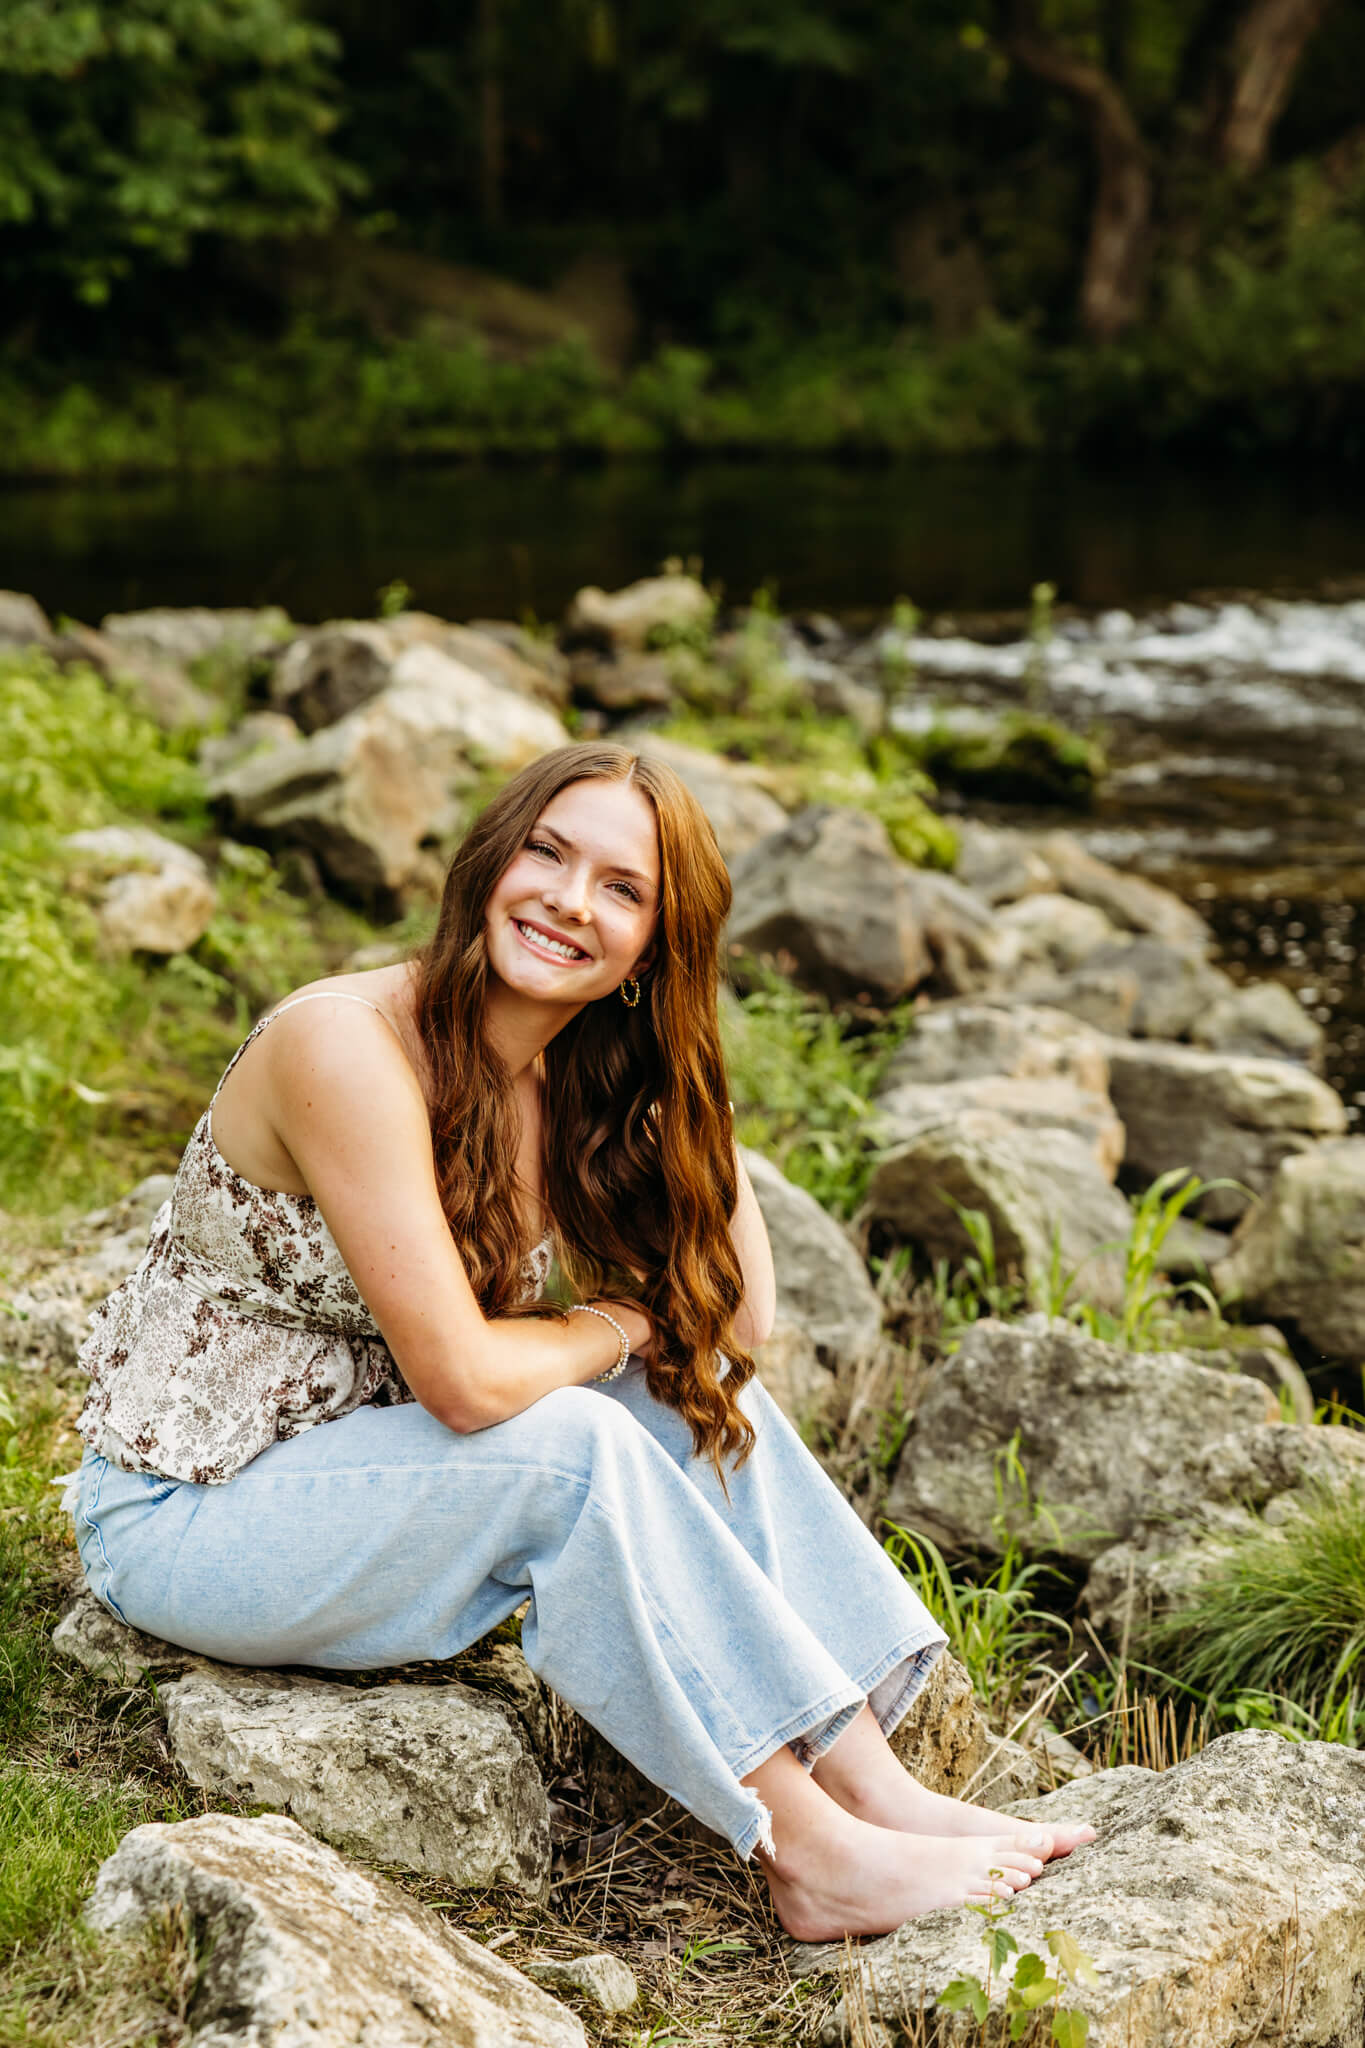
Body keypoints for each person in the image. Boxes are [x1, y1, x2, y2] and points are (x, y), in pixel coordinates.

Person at [70, 741, 1092, 1941]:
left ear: (652, 950)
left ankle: (880, 1792)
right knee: (575, 1437)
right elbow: (459, 1379)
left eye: (623, 888)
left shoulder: (562, 1080)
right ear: (492, 859)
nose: (567, 898)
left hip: (361, 1484)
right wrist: (609, 1322)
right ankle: (807, 1854)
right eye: (548, 852)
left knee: (689, 1387)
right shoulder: (345, 1042)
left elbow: (743, 1320)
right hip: (191, 1513)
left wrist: (682, 1063)